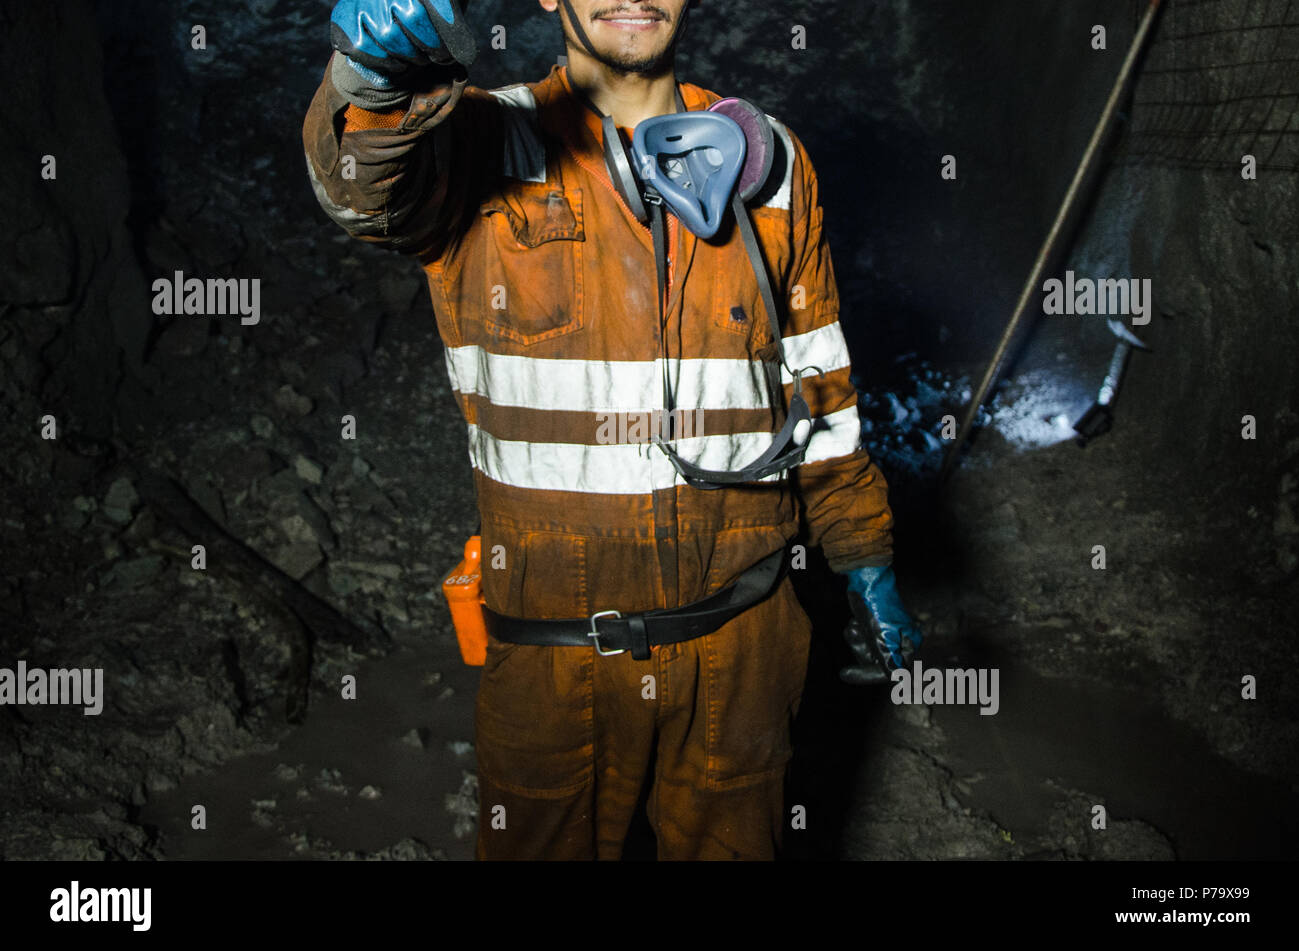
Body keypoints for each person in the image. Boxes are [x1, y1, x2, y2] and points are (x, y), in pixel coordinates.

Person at [303, 0, 922, 861]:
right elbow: (364, 194)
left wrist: (863, 550)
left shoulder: (768, 164)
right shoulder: (484, 140)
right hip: (555, 661)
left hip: (741, 649)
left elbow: (820, 379)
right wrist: (367, 87)